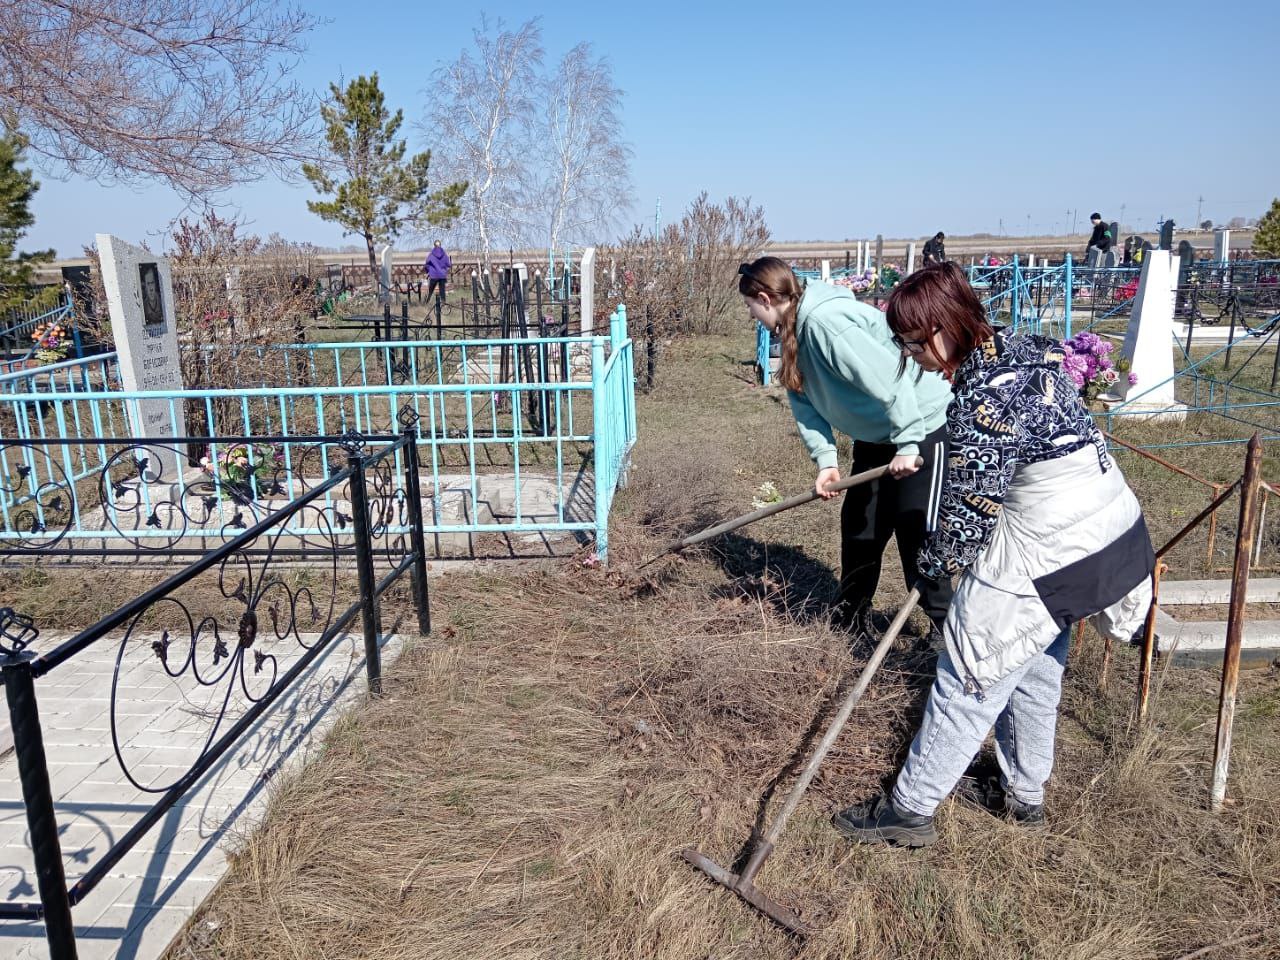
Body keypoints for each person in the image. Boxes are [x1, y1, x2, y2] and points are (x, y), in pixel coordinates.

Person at [831, 262, 1153, 847]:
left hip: (1057, 542)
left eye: (912, 341)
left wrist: (931, 567)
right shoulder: (1022, 350)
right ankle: (1022, 794)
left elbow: (966, 516)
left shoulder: (984, 404)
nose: (912, 356)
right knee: (1034, 662)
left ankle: (909, 810)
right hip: (1111, 530)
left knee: (970, 665)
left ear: (943, 327)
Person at [738, 257, 954, 644]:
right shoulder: (793, 333)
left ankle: (948, 633)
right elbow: (804, 402)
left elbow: (892, 380)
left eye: (751, 307)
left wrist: (907, 442)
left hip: (919, 428)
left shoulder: (825, 324)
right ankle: (849, 620)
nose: (752, 315)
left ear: (766, 298)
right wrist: (826, 462)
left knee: (916, 534)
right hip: (876, 437)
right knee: (861, 527)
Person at [424, 240, 451, 305]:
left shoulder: (431, 255)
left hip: (433, 275)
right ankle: (443, 303)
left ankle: (426, 303)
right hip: (442, 275)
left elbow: (427, 264)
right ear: (440, 245)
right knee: (442, 290)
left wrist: (428, 271)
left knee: (430, 290)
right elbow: (448, 264)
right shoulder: (444, 254)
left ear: (434, 245)